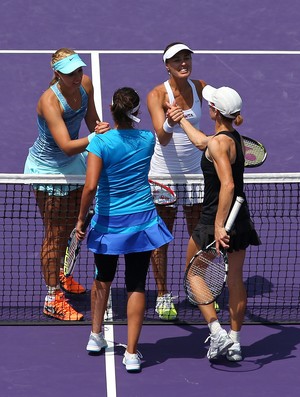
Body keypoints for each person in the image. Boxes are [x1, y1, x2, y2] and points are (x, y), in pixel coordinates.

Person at [75, 87, 173, 372]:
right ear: (137, 112)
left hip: (109, 224)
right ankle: (131, 353)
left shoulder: (101, 142)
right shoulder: (147, 139)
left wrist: (81, 220)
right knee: (136, 285)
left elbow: (91, 186)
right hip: (141, 223)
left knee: (102, 278)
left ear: (111, 109)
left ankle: (95, 336)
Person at [167, 85, 261, 361]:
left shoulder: (219, 143)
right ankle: (235, 343)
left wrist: (219, 225)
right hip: (241, 219)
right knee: (235, 279)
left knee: (193, 273)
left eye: (210, 104)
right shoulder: (233, 138)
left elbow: (228, 185)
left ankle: (216, 330)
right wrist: (181, 118)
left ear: (215, 111)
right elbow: (202, 143)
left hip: (214, 219)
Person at [24, 48, 110, 321]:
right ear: (57, 74)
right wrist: (96, 139)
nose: (77, 76)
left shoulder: (84, 84)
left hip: (72, 163)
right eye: (70, 72)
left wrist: (105, 135)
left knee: (76, 222)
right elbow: (67, 146)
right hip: (49, 169)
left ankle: (61, 274)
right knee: (55, 233)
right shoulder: (49, 102)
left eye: (79, 70)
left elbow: (91, 120)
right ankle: (52, 298)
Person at [147, 42, 208, 321]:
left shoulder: (201, 86)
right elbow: (162, 136)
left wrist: (235, 114)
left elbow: (224, 107)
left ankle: (196, 289)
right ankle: (162, 294)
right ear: (167, 66)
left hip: (195, 174)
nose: (184, 63)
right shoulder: (157, 94)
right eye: (177, 60)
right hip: (164, 175)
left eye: (187, 58)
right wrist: (172, 120)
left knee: (198, 235)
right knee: (162, 237)